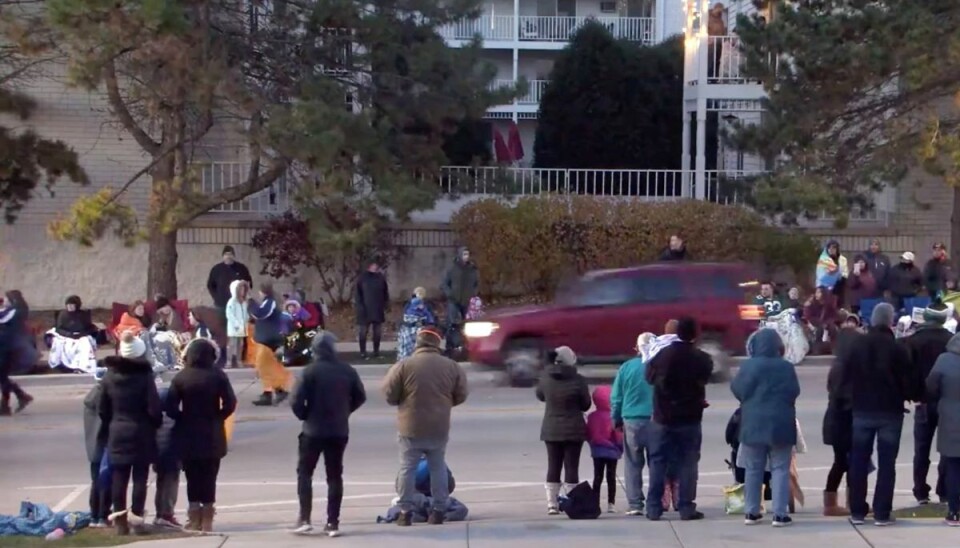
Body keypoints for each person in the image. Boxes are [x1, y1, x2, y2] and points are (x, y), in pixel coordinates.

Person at [382, 327, 468, 526]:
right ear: (437, 344)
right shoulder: (451, 366)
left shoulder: (404, 365)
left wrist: (402, 401)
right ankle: (438, 510)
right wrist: (445, 404)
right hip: (438, 425)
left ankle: (405, 511)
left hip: (409, 426)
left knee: (407, 468)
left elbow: (389, 393)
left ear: (418, 343)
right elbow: (461, 394)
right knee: (437, 467)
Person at [839, 303, 914, 526]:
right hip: (890, 411)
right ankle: (882, 512)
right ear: (890, 321)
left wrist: (848, 400)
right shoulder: (898, 348)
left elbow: (845, 376)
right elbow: (908, 380)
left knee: (859, 461)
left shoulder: (857, 345)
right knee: (887, 463)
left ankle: (857, 510)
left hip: (862, 409)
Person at [290, 332, 367, 537]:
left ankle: (305, 518)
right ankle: (333, 522)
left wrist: (305, 415)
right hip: (338, 430)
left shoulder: (309, 371)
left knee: (305, 473)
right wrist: (346, 411)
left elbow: (296, 400)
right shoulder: (346, 370)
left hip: (312, 430)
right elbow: (360, 396)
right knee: (334, 475)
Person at [165, 338, 238, 533]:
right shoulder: (218, 376)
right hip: (212, 431)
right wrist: (219, 417)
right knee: (210, 476)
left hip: (188, 431)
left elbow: (170, 406)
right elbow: (230, 402)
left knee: (192, 476)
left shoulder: (181, 377)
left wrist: (181, 417)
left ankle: (194, 516)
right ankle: (208, 517)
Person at [644, 317, 713, 521]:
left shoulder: (661, 355)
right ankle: (686, 506)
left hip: (662, 417)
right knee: (688, 462)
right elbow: (704, 379)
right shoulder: (702, 358)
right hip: (689, 417)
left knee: (657, 462)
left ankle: (654, 507)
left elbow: (648, 378)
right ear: (695, 334)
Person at [731, 329, 801, 527]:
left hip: (753, 423)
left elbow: (737, 389)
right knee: (780, 468)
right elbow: (794, 391)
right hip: (781, 424)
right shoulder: (786, 368)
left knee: (753, 469)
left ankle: (751, 512)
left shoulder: (748, 366)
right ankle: (779, 514)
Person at [99, 332, 162, 535]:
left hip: (117, 429)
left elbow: (102, 408)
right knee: (140, 478)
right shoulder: (145, 377)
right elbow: (154, 407)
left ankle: (120, 521)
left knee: (119, 477)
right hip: (141, 430)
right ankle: (137, 519)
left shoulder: (109, 377)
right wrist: (155, 423)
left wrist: (111, 422)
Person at [903, 304, 952, 504]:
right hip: (947, 401)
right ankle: (944, 488)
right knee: (948, 448)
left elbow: (907, 371)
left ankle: (920, 489)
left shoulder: (912, 341)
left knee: (921, 448)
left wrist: (911, 394)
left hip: (922, 401)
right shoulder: (951, 340)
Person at [536, 346, 591, 515]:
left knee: (553, 465)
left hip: (551, 428)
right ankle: (571, 501)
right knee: (571, 467)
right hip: (574, 428)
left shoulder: (545, 378)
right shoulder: (578, 380)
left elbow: (540, 395)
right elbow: (586, 404)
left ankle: (552, 503)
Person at [610, 333, 655, 516]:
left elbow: (616, 397)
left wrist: (616, 419)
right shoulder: (658, 367)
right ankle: (655, 501)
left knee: (633, 463)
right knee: (657, 463)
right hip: (655, 420)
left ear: (636, 348)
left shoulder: (626, 367)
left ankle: (635, 503)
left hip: (632, 420)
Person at [822, 314, 862, 517]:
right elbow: (842, 396)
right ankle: (841, 502)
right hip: (844, 420)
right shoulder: (847, 368)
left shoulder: (838, 365)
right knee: (846, 462)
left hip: (836, 420)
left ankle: (840, 500)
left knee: (843, 461)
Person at [924, 332, 960, 526]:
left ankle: (954, 511)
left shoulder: (943, 360)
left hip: (950, 418)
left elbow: (931, 386)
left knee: (953, 465)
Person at [206, 245, 253, 367]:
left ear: (233, 255)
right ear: (223, 256)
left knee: (240, 337)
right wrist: (216, 297)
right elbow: (210, 285)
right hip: (221, 305)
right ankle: (223, 358)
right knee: (224, 333)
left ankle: (239, 359)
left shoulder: (241, 269)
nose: (228, 256)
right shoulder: (216, 269)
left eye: (230, 254)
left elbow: (248, 283)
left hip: (240, 305)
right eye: (226, 254)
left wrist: (245, 298)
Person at [248, 282, 291, 406]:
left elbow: (261, 314)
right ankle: (271, 392)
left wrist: (251, 303)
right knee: (265, 366)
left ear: (263, 292)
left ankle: (276, 391)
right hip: (265, 339)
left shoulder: (270, 302)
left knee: (263, 365)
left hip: (268, 340)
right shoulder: (268, 302)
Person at [587, 385, 623, 514]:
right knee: (611, 477)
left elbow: (588, 433)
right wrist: (620, 448)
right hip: (612, 451)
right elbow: (618, 435)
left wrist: (592, 443)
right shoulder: (613, 417)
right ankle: (611, 503)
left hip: (597, 451)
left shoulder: (592, 417)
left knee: (597, 477)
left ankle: (595, 502)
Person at [82, 372, 111, 528]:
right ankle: (102, 515)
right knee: (105, 481)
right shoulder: (102, 397)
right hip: (103, 445)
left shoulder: (90, 399)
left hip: (93, 448)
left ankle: (94, 515)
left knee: (96, 481)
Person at [0, 290, 34, 415]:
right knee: (2, 376)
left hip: (9, 348)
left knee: (2, 376)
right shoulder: (11, 311)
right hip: (5, 347)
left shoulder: (15, 311)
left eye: (6, 299)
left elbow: (2, 318)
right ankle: (19, 397)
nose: (5, 301)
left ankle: (7, 405)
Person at [440, 247, 479, 354]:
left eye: (467, 254)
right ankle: (450, 347)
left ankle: (466, 347)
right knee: (452, 324)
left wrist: (473, 294)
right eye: (464, 254)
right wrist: (450, 294)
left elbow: (476, 283)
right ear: (460, 255)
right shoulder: (452, 269)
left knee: (467, 325)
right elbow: (444, 284)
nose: (466, 257)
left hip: (467, 300)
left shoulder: (472, 269)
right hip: (454, 300)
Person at [153, 387, 181, 528]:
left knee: (161, 483)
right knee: (170, 485)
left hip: (158, 454)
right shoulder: (173, 418)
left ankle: (160, 513)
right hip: (171, 454)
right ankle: (166, 513)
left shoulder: (154, 417)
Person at [355, 260, 390, 359]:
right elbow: (358, 295)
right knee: (363, 332)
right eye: (373, 265)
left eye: (376, 265)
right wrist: (360, 307)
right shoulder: (362, 278)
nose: (375, 267)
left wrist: (386, 305)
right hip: (364, 310)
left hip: (378, 309)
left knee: (377, 332)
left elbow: (385, 293)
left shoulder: (380, 278)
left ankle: (376, 351)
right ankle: (363, 352)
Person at [397, 287, 436, 361]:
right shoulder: (409, 304)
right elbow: (405, 317)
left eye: (421, 294)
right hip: (410, 329)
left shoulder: (426, 305)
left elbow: (430, 317)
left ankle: (411, 360)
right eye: (418, 293)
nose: (420, 296)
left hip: (417, 329)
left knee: (415, 347)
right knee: (409, 347)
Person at [804, 287, 839, 354]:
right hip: (814, 323)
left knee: (833, 328)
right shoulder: (812, 303)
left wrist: (827, 322)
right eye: (816, 292)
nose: (816, 294)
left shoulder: (829, 304)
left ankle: (834, 348)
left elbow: (833, 315)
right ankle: (816, 349)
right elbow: (808, 316)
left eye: (819, 292)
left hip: (826, 322)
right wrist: (807, 307)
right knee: (819, 329)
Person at [816, 240, 849, 308]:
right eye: (829, 248)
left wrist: (839, 276)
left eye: (834, 248)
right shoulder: (823, 259)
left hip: (838, 287)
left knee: (837, 307)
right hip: (824, 288)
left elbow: (845, 273)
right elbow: (820, 274)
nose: (831, 250)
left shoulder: (843, 260)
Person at [225, 280, 249, 369]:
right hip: (234, 327)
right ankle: (229, 361)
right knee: (232, 344)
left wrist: (247, 319)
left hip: (242, 327)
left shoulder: (244, 302)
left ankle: (239, 360)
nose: (243, 291)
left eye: (244, 289)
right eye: (241, 289)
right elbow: (229, 314)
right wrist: (236, 324)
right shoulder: (232, 302)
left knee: (240, 344)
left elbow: (245, 313)